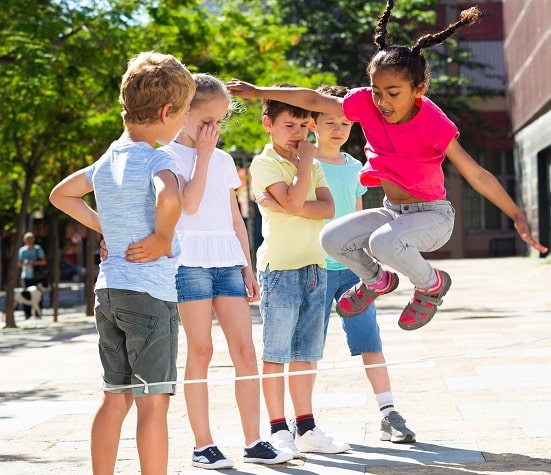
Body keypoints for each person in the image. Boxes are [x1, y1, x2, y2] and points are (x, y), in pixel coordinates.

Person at [227, 1, 547, 333]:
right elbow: (313, 101)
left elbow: (476, 173)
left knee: (382, 242)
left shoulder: (433, 122)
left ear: (418, 90)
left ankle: (432, 284)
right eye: (378, 91)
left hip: (433, 217)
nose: (383, 102)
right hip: (393, 213)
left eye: (393, 93)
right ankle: (377, 280)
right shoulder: (366, 104)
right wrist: (257, 91)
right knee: (332, 237)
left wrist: (516, 214)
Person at [49, 51, 195, 474]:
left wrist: (103, 227)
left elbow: (61, 194)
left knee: (114, 397)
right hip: (150, 297)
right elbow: (169, 195)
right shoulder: (156, 158)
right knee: (153, 403)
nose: (183, 122)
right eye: (184, 113)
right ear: (167, 112)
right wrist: (162, 238)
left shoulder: (108, 158)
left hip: (109, 293)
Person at [161, 73, 290, 469]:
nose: (213, 130)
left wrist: (247, 267)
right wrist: (201, 154)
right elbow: (191, 206)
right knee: (201, 350)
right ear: (181, 113)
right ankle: (203, 445)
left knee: (245, 351)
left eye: (219, 122)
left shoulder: (223, 159)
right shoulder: (165, 156)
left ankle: (254, 441)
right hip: (189, 265)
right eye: (205, 122)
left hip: (227, 263)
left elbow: (236, 218)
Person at [248, 85, 350, 458]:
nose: (298, 134)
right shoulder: (264, 164)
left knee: (308, 352)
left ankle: (305, 426)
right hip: (279, 270)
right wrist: (304, 167)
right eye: (289, 125)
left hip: (315, 267)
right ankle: (278, 429)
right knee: (276, 353)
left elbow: (326, 209)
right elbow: (295, 199)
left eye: (303, 127)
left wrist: (292, 202)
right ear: (268, 124)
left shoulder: (315, 164)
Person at [312, 84, 415, 443]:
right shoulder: (304, 163)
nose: (338, 128)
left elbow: (357, 219)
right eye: (329, 122)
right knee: (308, 348)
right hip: (315, 269)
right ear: (313, 123)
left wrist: (367, 263)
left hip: (354, 272)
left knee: (370, 341)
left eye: (344, 122)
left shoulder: (356, 166)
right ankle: (302, 421)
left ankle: (389, 413)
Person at [17, 231, 48, 318]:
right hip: (26, 276)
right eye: (28, 239)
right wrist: (25, 263)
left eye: (31, 238)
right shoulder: (22, 250)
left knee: (38, 296)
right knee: (26, 295)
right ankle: (28, 314)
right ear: (24, 240)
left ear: (34, 239)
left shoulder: (38, 249)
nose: (29, 240)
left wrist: (34, 262)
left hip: (37, 276)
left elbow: (44, 261)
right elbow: (19, 263)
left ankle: (38, 313)